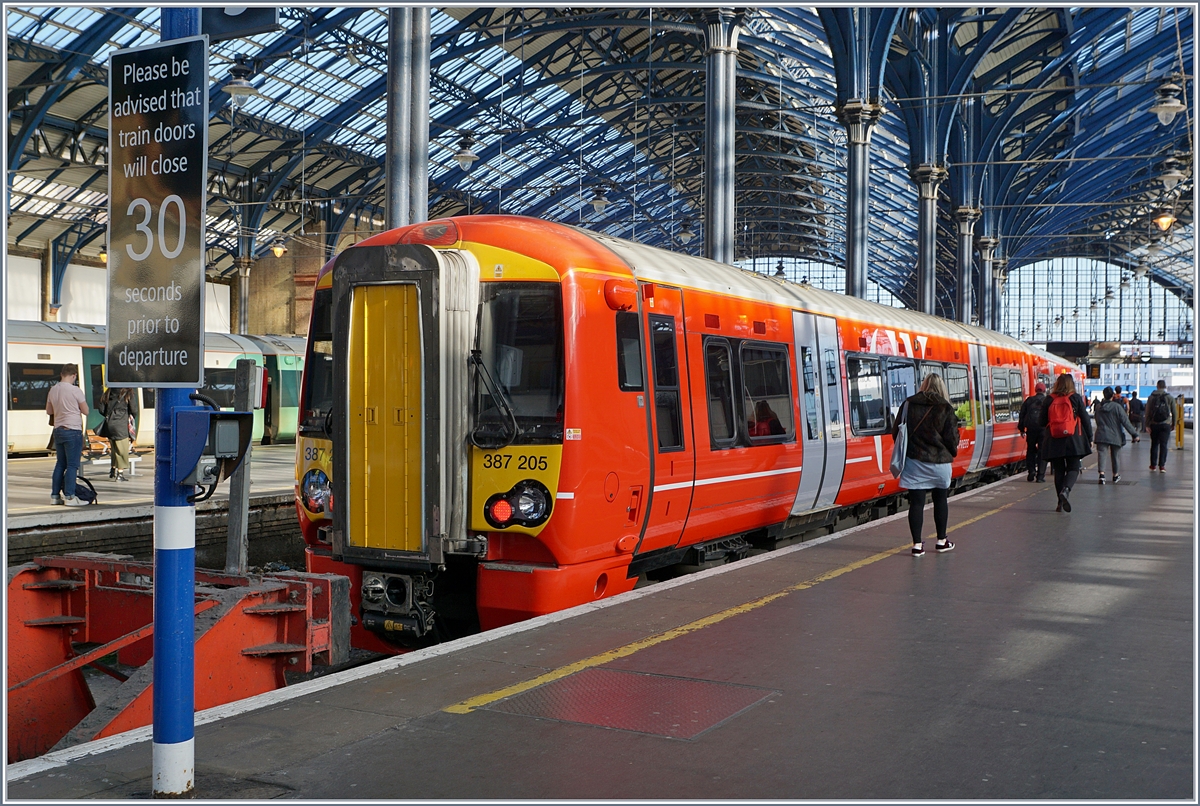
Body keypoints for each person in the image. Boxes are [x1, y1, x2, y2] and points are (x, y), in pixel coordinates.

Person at [890, 373, 960, 556]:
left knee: (916, 503)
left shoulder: (908, 404)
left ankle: (917, 545)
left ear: (924, 385)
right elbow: (952, 438)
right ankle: (942, 541)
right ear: (942, 388)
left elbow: (896, 430)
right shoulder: (945, 407)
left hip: (915, 461)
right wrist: (950, 452)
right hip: (940, 462)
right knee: (940, 500)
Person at [1038, 373, 1093, 513]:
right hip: (1073, 440)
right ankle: (1066, 491)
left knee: (1059, 471)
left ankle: (1059, 503)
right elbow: (1086, 419)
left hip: (1054, 439)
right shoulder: (1075, 398)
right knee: (1073, 468)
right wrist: (1090, 438)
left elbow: (1041, 422)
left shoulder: (1049, 399)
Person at [45, 363, 89, 506]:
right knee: (72, 465)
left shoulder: (53, 390)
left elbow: (49, 411)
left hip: (58, 431)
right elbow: (86, 411)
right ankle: (70, 497)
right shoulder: (75, 390)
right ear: (74, 375)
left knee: (60, 464)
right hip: (73, 430)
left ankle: (55, 496)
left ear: (61, 374)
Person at [1092, 386, 1139, 484]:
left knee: (1102, 454)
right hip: (1115, 435)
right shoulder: (1117, 407)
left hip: (1101, 433)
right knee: (1115, 455)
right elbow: (1125, 422)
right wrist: (1134, 434)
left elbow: (1096, 419)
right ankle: (1115, 475)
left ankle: (1101, 474)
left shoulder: (1098, 407)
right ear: (1112, 396)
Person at [99, 387, 139, 481]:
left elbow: (101, 408)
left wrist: (109, 415)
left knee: (114, 448)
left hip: (110, 425)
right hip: (121, 424)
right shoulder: (128, 393)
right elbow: (134, 409)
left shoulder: (108, 392)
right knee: (122, 450)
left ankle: (113, 469)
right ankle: (120, 474)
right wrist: (130, 417)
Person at [1017, 382, 1048, 482]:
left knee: (1030, 449)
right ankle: (1040, 476)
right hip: (1044, 429)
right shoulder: (1047, 401)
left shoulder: (1029, 401)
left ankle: (1031, 471)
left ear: (1035, 390)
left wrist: (1022, 429)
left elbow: (1022, 415)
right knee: (1042, 451)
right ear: (1044, 390)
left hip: (1031, 429)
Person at [1145, 380, 1174, 472]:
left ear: (1157, 386)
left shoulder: (1151, 397)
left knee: (1154, 444)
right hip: (1166, 425)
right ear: (1165, 386)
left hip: (1154, 424)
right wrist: (1174, 424)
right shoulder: (1169, 397)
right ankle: (1162, 466)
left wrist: (1147, 424)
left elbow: (1148, 412)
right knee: (1164, 445)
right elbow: (1174, 412)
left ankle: (1153, 465)